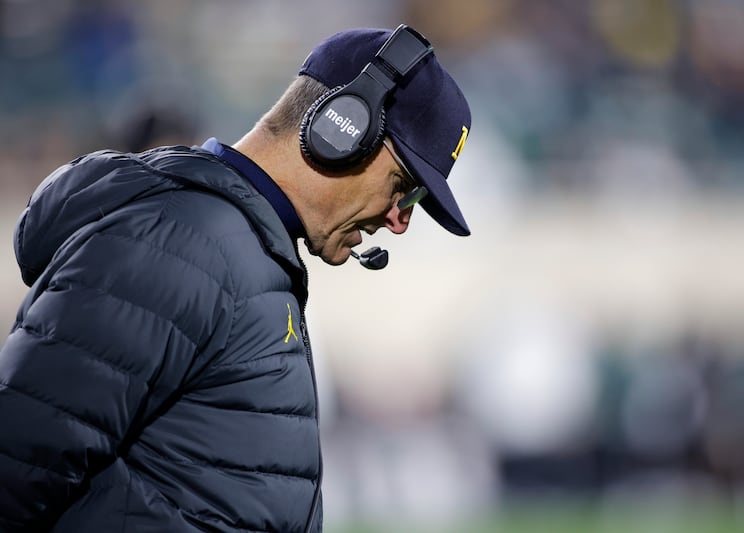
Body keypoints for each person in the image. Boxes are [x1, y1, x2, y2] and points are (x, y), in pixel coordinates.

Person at [0, 24, 471, 533]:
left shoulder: (235, 248)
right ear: (342, 130)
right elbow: (17, 462)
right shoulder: (184, 244)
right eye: (403, 188)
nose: (399, 220)